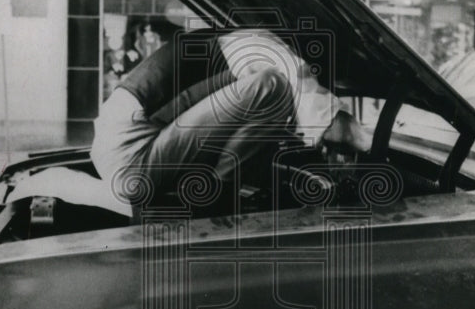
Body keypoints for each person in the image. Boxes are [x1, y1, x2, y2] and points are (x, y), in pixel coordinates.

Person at [91, 21, 371, 203]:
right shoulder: (262, 47)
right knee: (273, 85)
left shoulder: (224, 42)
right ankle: (216, 202)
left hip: (113, 147)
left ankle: (218, 192)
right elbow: (335, 126)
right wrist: (369, 142)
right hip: (132, 158)